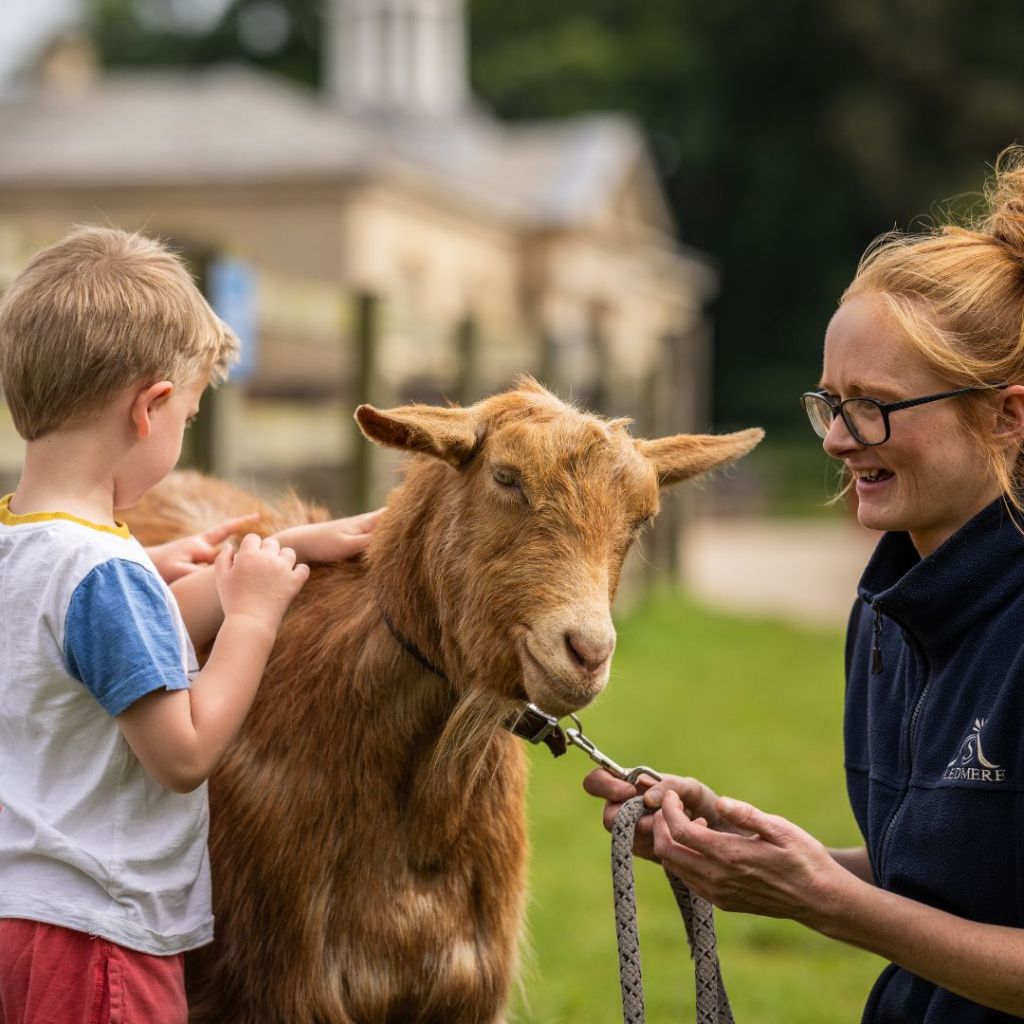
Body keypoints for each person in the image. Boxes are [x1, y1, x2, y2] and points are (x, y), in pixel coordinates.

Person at [586, 148, 1024, 1022]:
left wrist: (826, 900)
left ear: (1007, 415)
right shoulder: (887, 612)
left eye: (874, 405)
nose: (836, 440)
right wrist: (755, 852)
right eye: (830, 402)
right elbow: (941, 881)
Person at [0, 226, 381, 1024]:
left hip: (20, 923)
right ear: (151, 408)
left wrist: (281, 549)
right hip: (100, 942)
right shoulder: (106, 575)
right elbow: (184, 750)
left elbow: (101, 655)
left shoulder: (19, 544)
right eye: (189, 418)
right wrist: (251, 617)